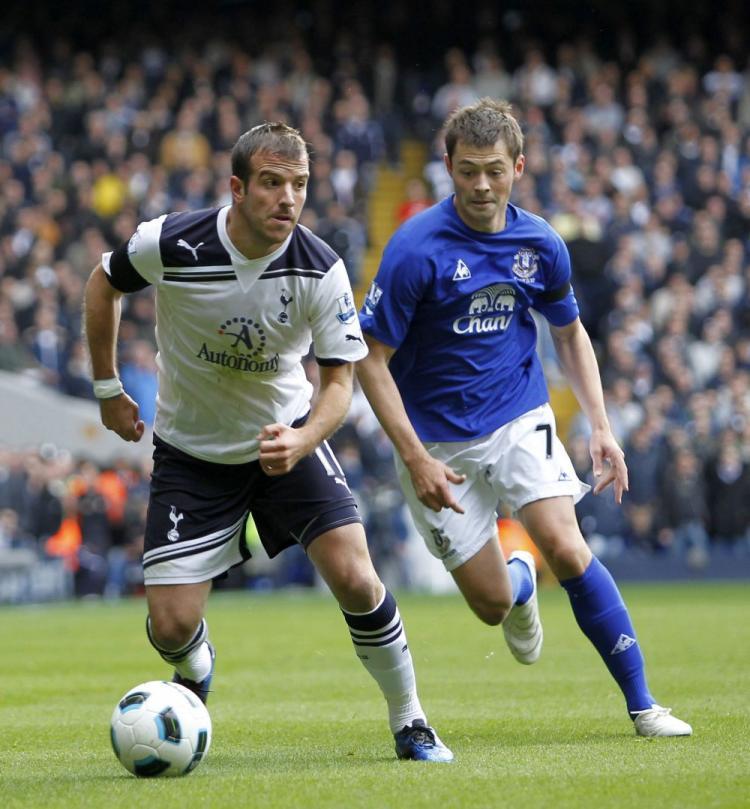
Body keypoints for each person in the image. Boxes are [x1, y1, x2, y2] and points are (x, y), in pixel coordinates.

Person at [83, 122, 452, 763]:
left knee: (358, 580)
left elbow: (340, 383)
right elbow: (102, 283)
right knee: (169, 627)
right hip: (191, 456)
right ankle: (196, 668)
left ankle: (411, 720)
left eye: (300, 185)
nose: (288, 199)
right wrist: (108, 387)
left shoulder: (319, 267)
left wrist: (306, 438)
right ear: (237, 188)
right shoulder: (170, 241)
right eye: (273, 184)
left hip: (286, 444)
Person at [356, 99, 692, 738]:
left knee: (567, 545)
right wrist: (414, 457)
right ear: (448, 167)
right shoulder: (413, 249)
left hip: (517, 415)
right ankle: (519, 583)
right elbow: (371, 361)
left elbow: (568, 334)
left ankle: (645, 705)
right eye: (468, 171)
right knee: (490, 606)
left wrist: (601, 425)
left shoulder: (539, 243)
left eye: (495, 171)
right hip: (435, 442)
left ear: (519, 166)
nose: (482, 185)